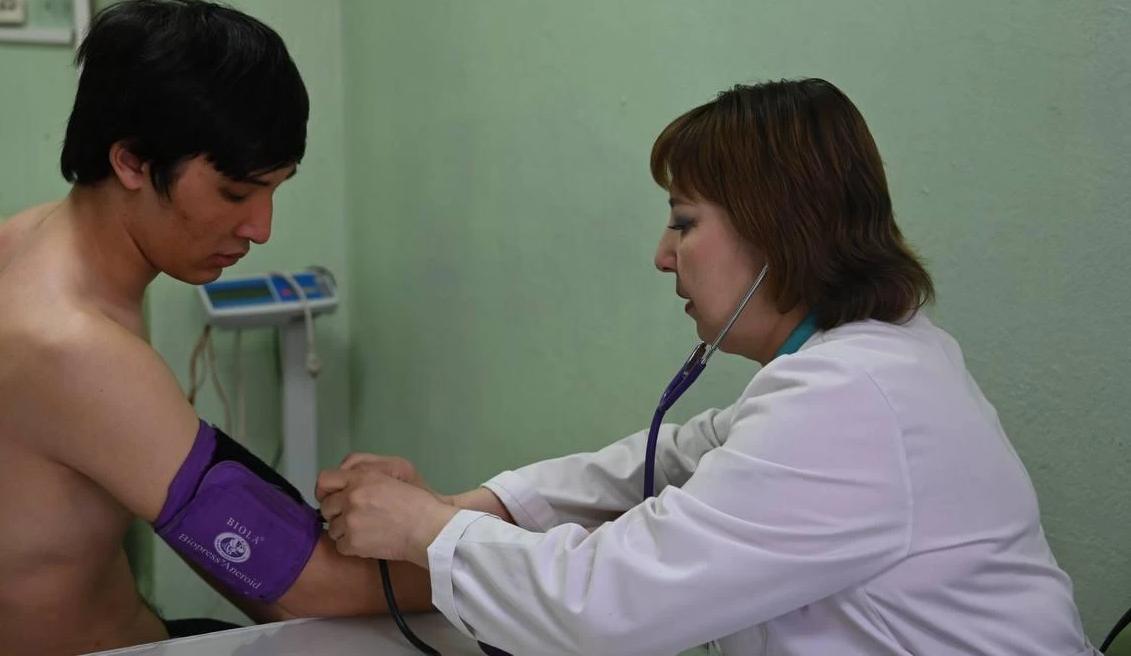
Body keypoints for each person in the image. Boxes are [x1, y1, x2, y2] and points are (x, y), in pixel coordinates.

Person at [317, 78, 1098, 656]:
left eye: (684, 222)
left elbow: (604, 606)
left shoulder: (854, 398)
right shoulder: (868, 363)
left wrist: (427, 528)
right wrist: (470, 504)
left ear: (777, 231)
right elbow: (670, 459)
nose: (664, 255)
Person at [0, 0, 432, 656]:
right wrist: (495, 554)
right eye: (236, 193)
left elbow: (227, 526)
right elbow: (306, 588)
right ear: (131, 161)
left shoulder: (18, 244)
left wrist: (432, 525)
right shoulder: (67, 344)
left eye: (275, 190)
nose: (261, 228)